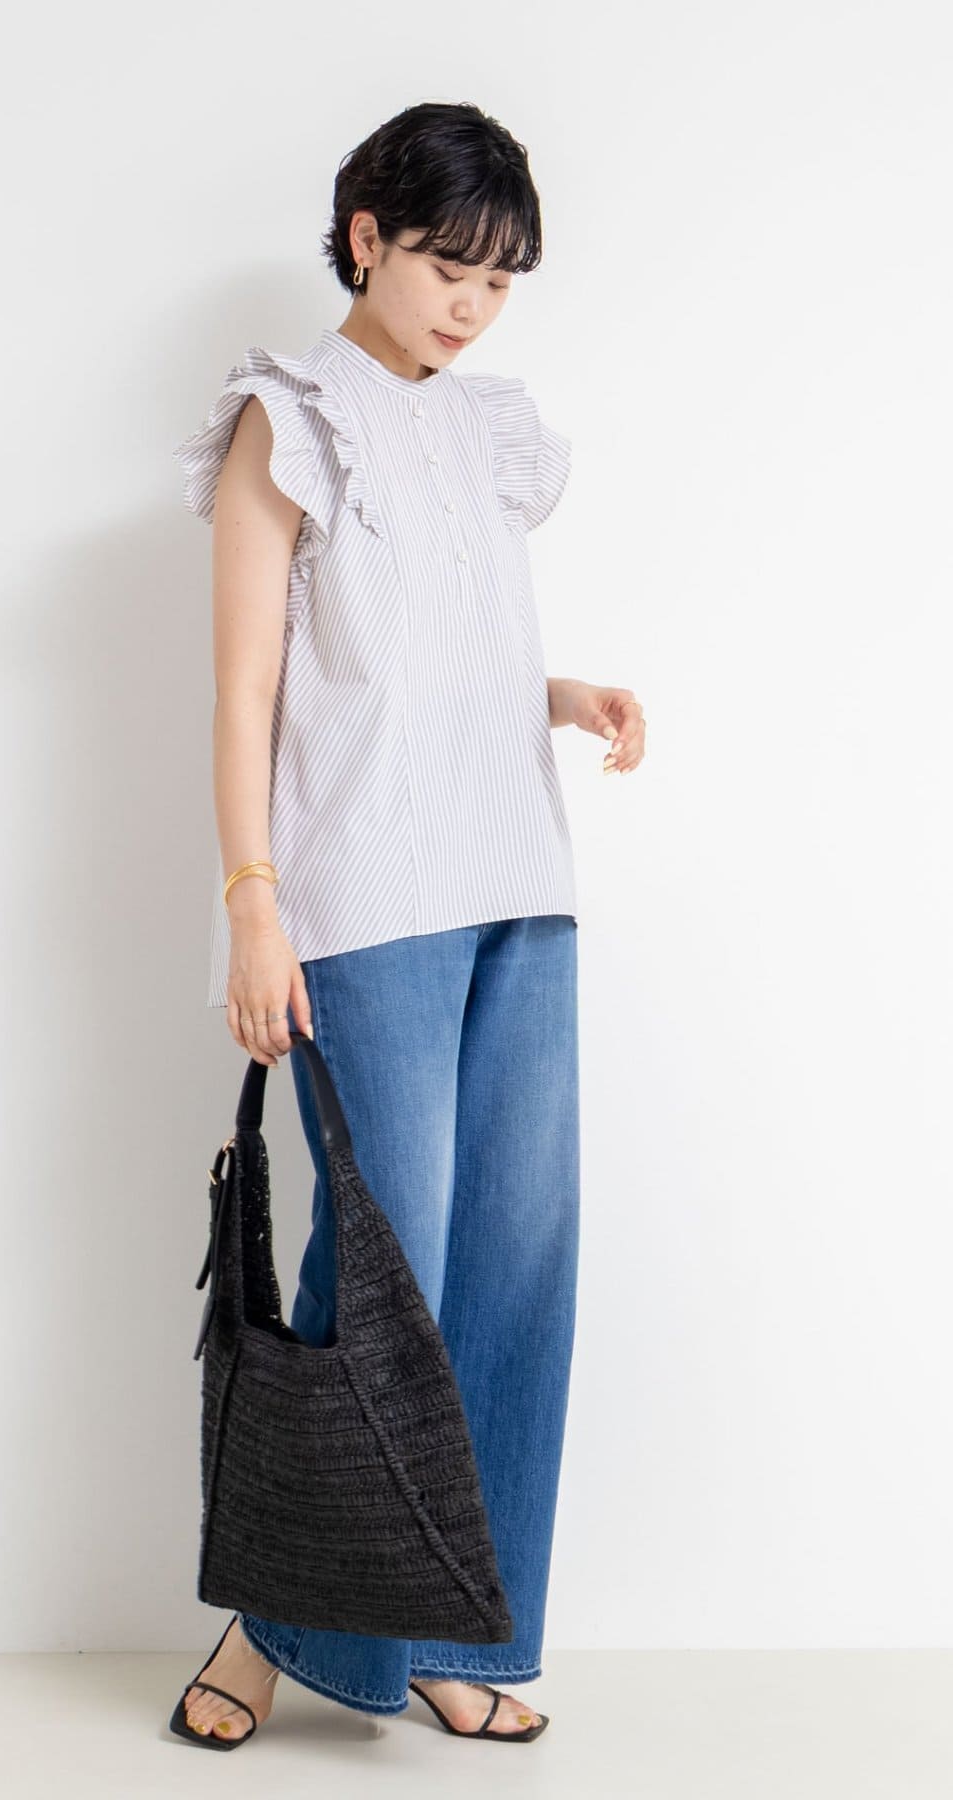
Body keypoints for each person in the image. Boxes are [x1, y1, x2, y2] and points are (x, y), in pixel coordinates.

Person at [168, 100, 646, 1750]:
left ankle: (448, 1629)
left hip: (520, 882)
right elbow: (248, 689)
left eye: (501, 280)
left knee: (516, 1266)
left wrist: (559, 693)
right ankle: (273, 1628)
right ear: (366, 237)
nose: (472, 305)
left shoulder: (491, 427)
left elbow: (438, 649)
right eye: (451, 266)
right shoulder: (289, 419)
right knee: (387, 1271)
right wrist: (253, 906)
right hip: (364, 899)